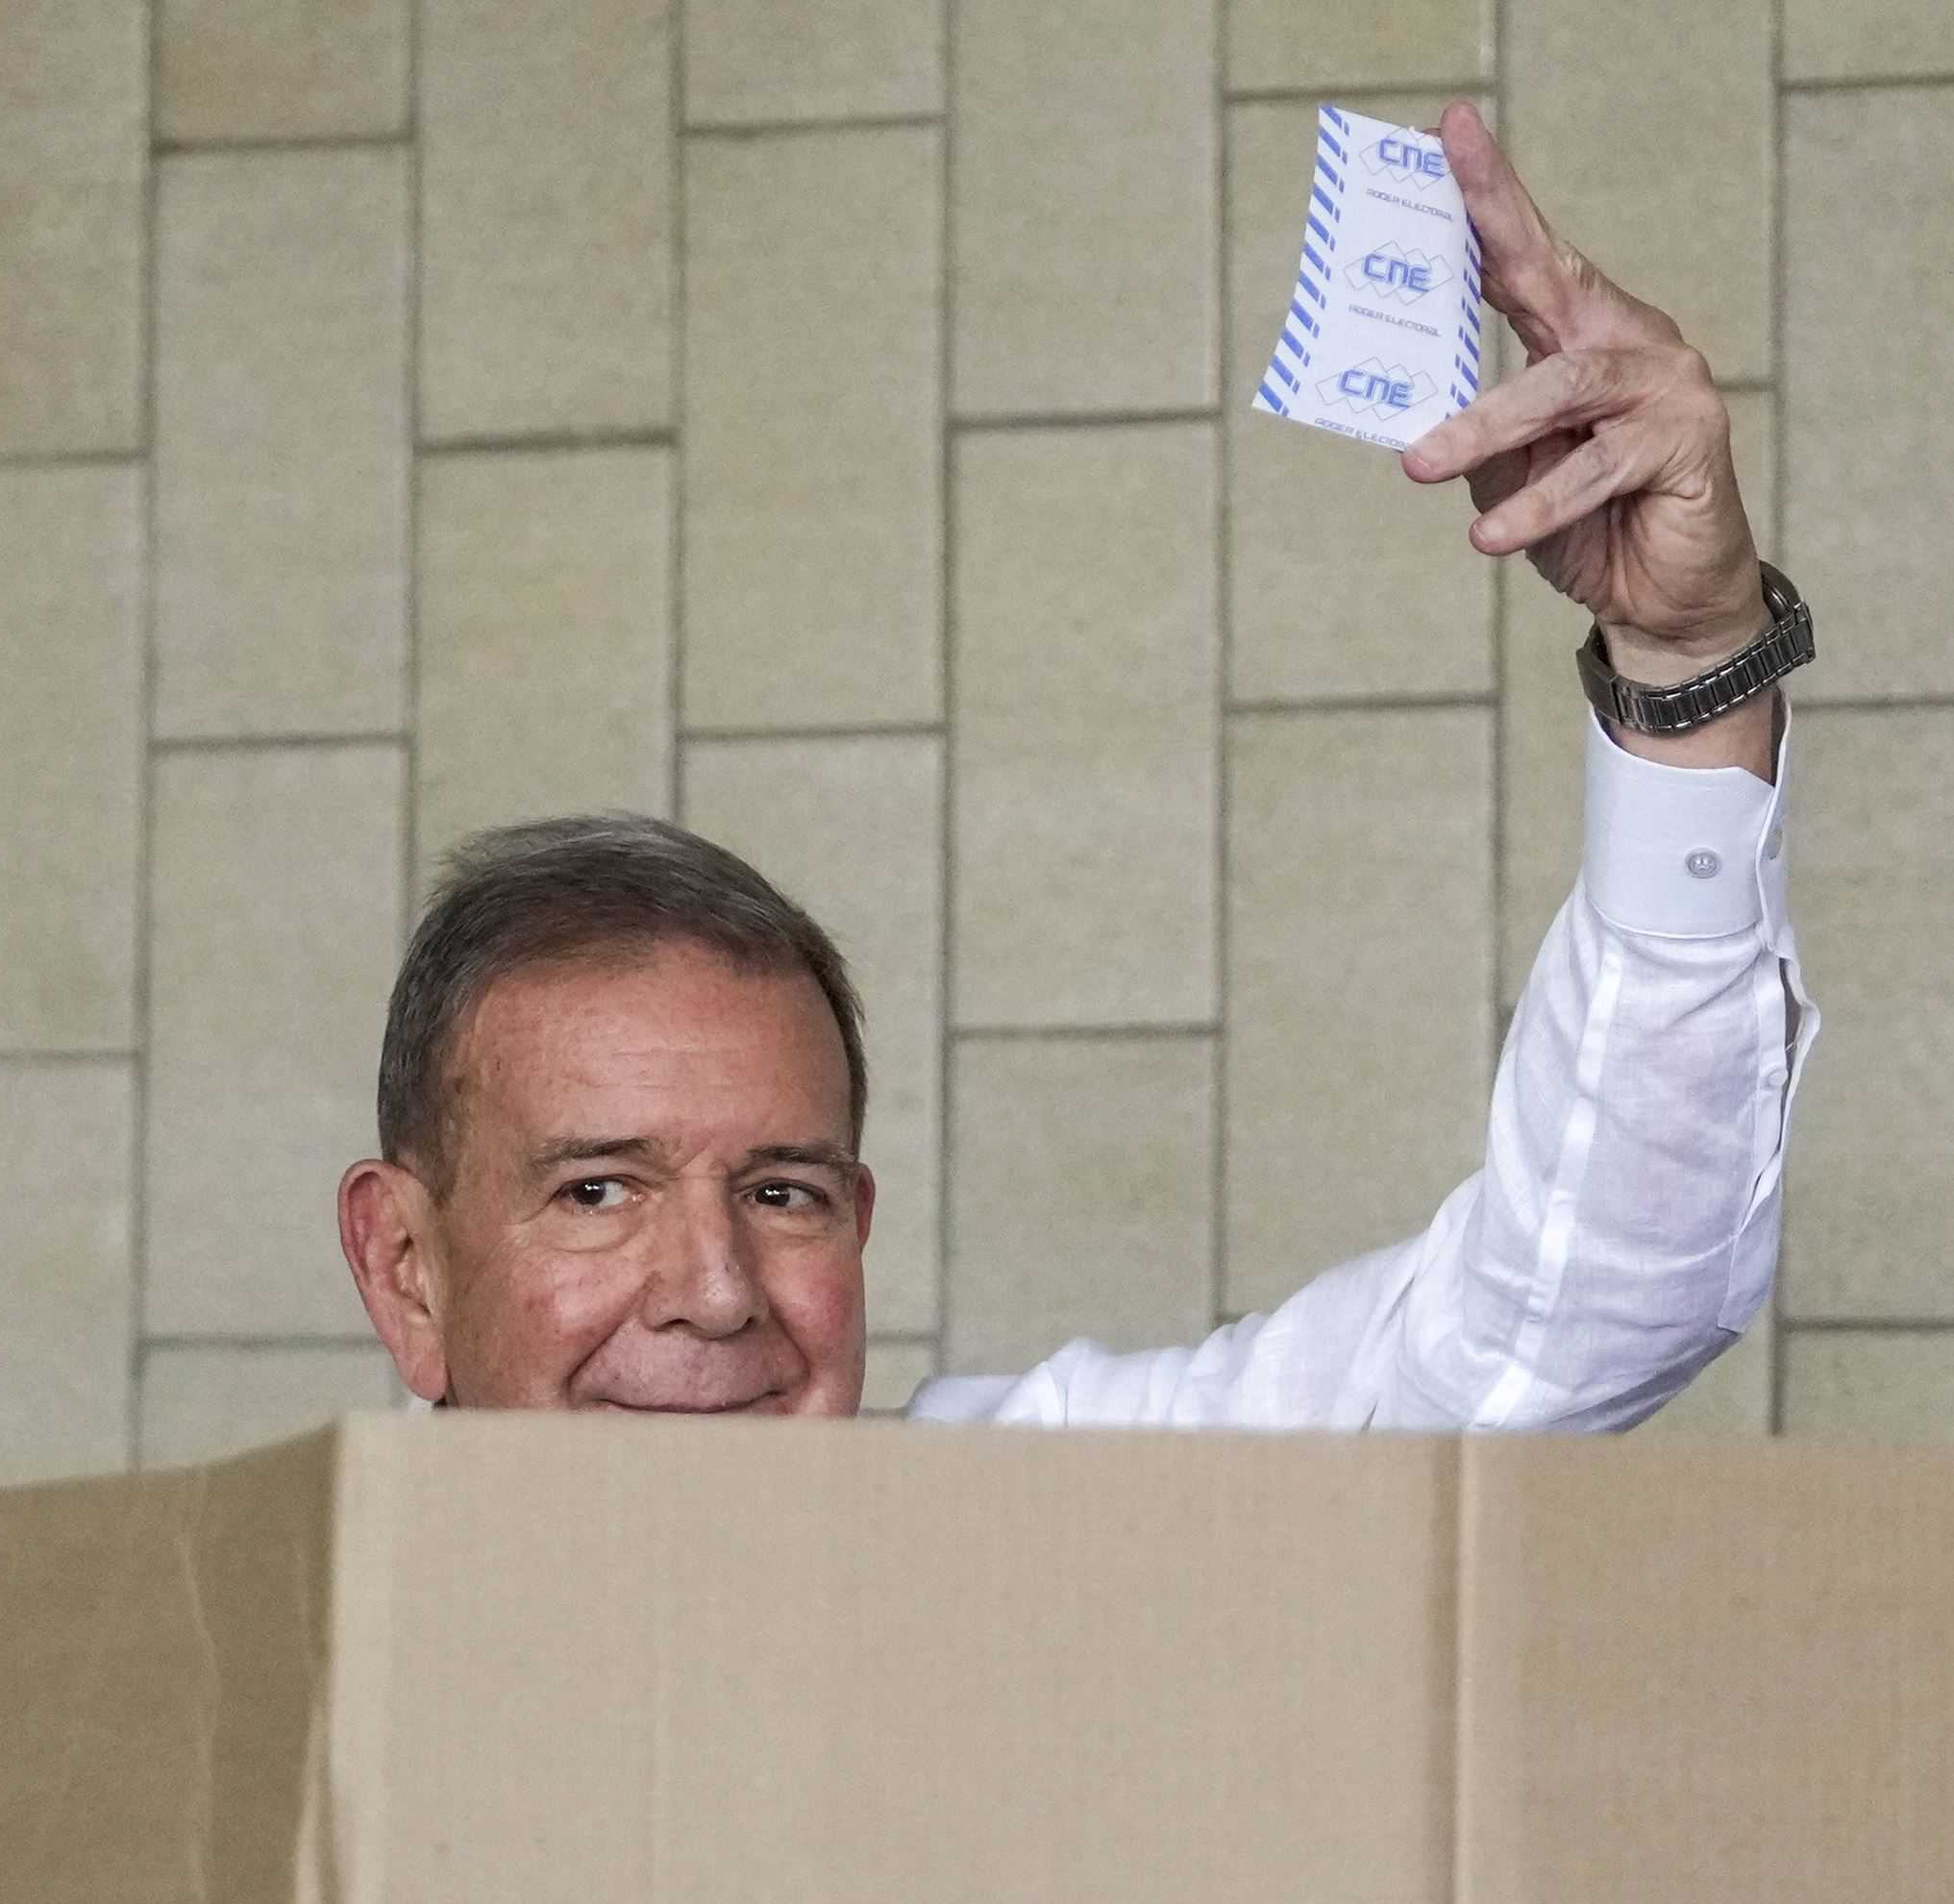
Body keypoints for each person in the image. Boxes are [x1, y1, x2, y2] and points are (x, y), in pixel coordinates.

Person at [336, 102, 1818, 1427]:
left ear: (859, 1222)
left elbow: (1559, 1327)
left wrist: (1689, 667)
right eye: (598, 1190)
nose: (716, 1294)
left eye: (782, 1192)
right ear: (408, 1270)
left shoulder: (1013, 1519)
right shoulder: (207, 1664)